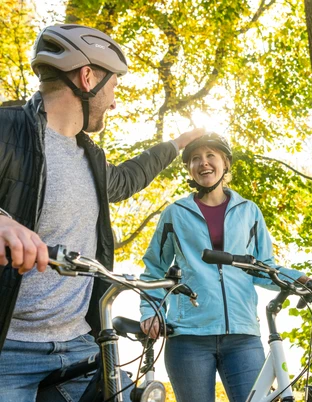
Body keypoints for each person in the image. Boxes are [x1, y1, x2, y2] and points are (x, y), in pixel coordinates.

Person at [0, 24, 204, 401]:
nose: (113, 101)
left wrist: (178, 144)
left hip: (80, 344)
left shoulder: (89, 157)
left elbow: (126, 180)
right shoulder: (6, 129)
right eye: (113, 88)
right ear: (87, 77)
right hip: (9, 353)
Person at [139, 133, 312, 402]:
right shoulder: (175, 213)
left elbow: (262, 267)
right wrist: (151, 311)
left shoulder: (249, 211)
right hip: (189, 336)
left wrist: (298, 279)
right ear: (189, 168)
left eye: (211, 155)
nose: (204, 163)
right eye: (195, 159)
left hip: (242, 335)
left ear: (225, 163)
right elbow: (154, 269)